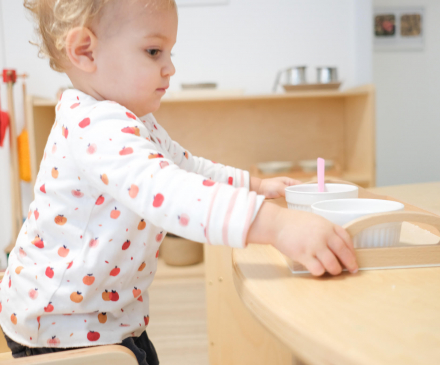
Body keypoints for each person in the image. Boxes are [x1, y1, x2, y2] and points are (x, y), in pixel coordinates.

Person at [0, 0, 358, 363]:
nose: (170, 68)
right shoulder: (96, 128)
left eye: (169, 52)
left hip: (107, 320)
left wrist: (253, 184)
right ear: (85, 51)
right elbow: (170, 190)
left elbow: (186, 167)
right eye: (154, 51)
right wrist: (278, 225)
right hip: (62, 328)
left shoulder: (131, 120)